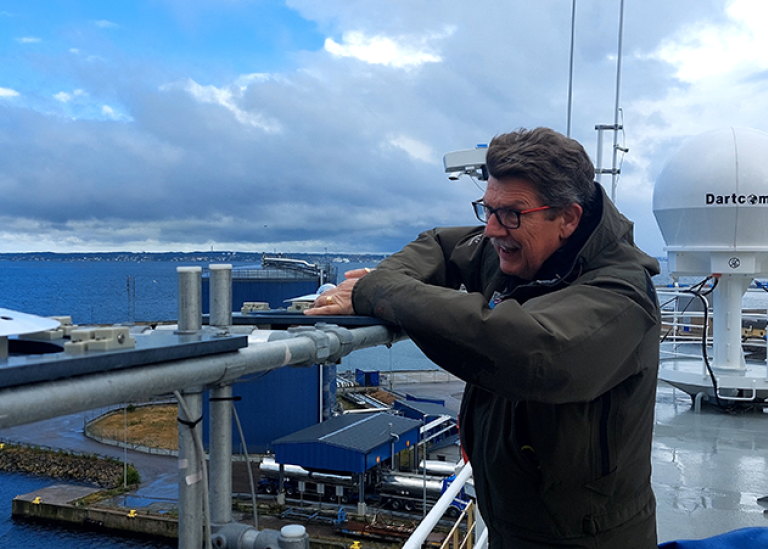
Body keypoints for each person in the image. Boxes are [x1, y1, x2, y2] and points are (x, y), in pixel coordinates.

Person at [306, 127, 660, 548]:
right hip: (508, 526)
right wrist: (389, 282)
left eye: (510, 214)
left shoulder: (621, 295)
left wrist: (381, 293)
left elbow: (532, 352)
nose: (492, 230)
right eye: (487, 210)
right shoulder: (517, 250)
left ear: (568, 218)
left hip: (584, 539)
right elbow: (439, 243)